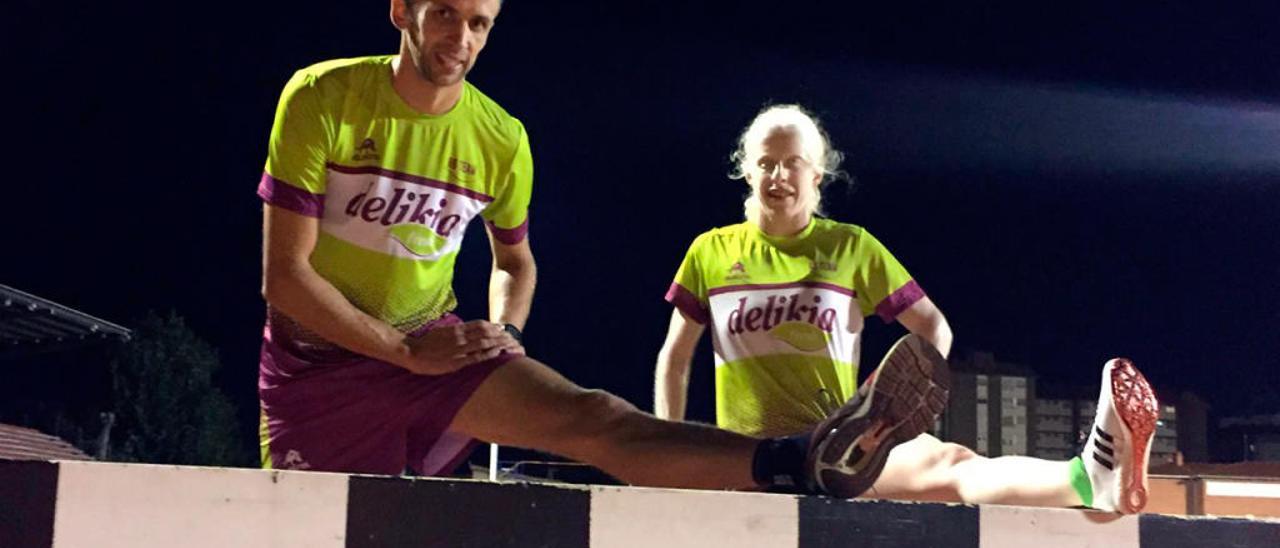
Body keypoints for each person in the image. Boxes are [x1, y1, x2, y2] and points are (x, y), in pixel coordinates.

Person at [254, 0, 934, 498]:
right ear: (402, 10)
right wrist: (400, 350)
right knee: (309, 524)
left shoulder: (500, 138)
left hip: (431, 350)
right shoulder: (322, 97)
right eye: (444, 15)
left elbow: (515, 261)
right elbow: (285, 278)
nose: (459, 38)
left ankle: (799, 460)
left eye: (479, 23)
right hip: (316, 367)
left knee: (596, 416)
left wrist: (504, 332)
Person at [655, 104, 1160, 513]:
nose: (778, 174)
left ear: (817, 175)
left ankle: (1091, 476)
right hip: (748, 457)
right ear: (747, 171)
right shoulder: (711, 252)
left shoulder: (851, 248)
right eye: (766, 162)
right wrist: (667, 451)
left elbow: (933, 327)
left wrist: (897, 415)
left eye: (793, 162)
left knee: (952, 465)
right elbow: (675, 358)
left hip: (835, 453)